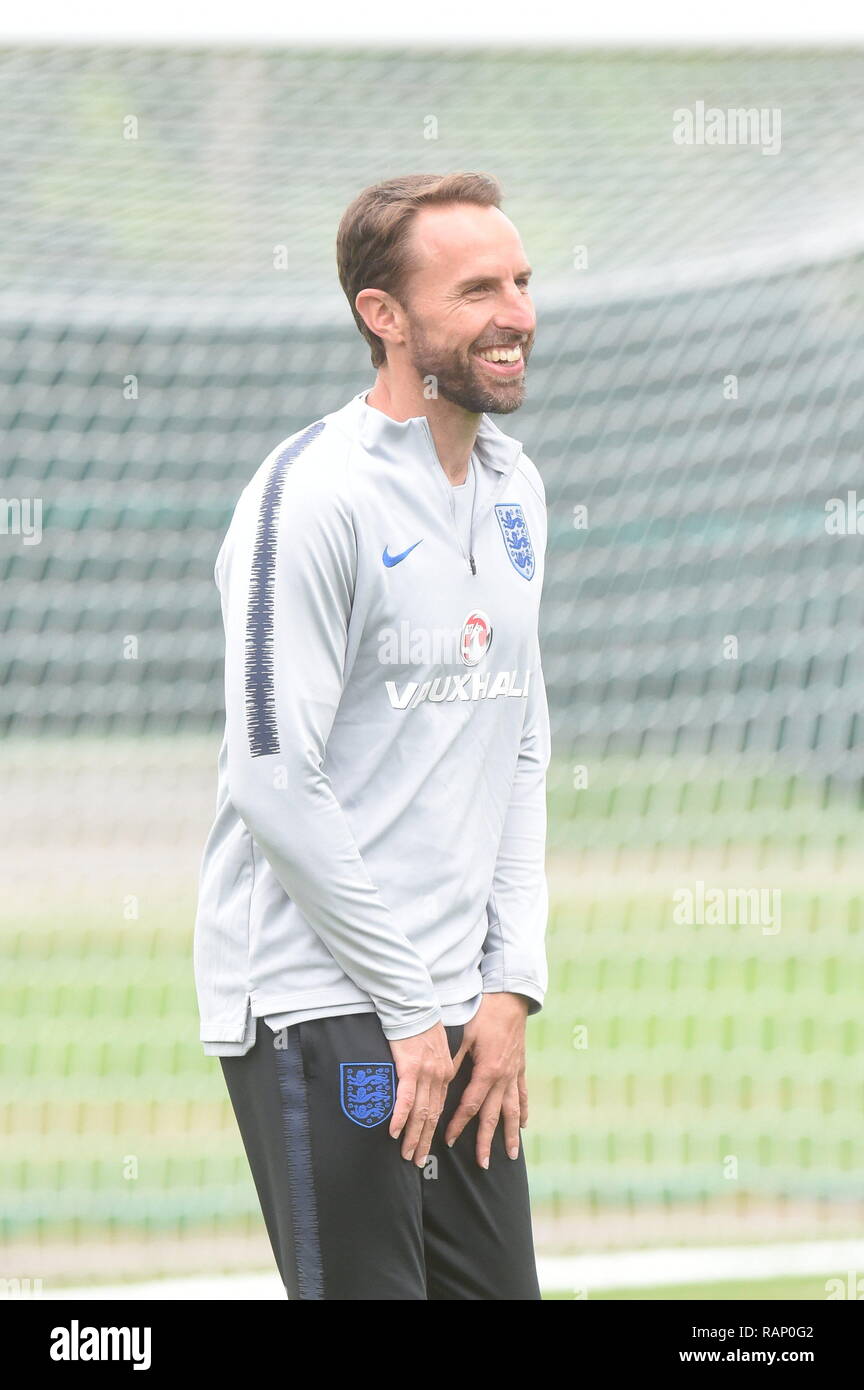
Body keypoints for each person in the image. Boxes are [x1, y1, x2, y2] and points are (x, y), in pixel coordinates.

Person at [193, 170, 551, 1300]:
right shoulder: (311, 494)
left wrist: (509, 988)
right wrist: (408, 1007)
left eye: (523, 282)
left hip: (453, 1008)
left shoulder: (517, 488)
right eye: (478, 288)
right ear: (383, 317)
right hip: (323, 1006)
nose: (517, 314)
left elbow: (522, 745)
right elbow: (275, 783)